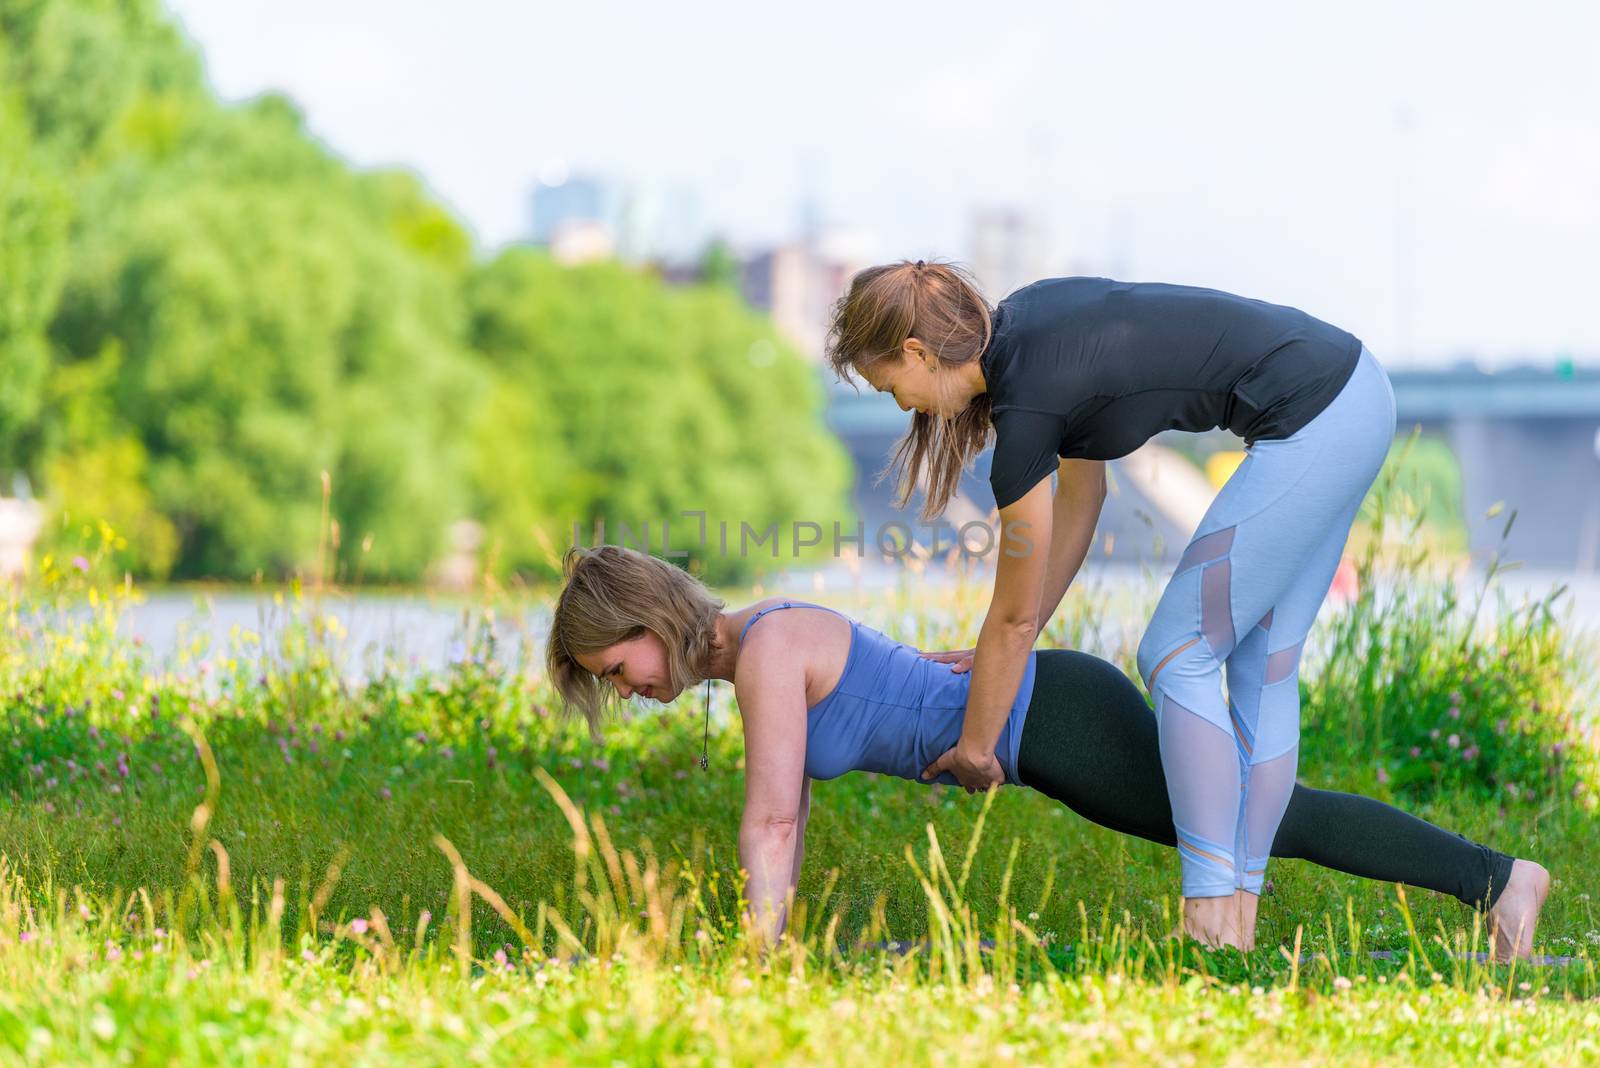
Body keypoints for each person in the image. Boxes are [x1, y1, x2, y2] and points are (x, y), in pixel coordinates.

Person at [544, 544, 1548, 959]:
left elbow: (768, 817)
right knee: (1253, 816)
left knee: (1263, 817)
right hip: (1044, 721)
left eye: (615, 663)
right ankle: (1494, 883)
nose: (626, 689)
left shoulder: (766, 648)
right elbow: (805, 801)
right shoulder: (765, 641)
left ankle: (1500, 881)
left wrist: (755, 957)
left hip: (1053, 718)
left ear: (647, 615)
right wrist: (770, 942)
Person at [824, 259, 1400, 949]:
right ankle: (1235, 926)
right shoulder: (1030, 328)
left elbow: (1011, 615)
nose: (902, 404)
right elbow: (1082, 502)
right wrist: (1003, 650)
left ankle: (1210, 916)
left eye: (892, 385)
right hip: (1355, 390)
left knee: (1177, 654)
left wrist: (976, 747)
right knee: (1261, 664)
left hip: (1315, 416)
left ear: (917, 352)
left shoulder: (1027, 401)